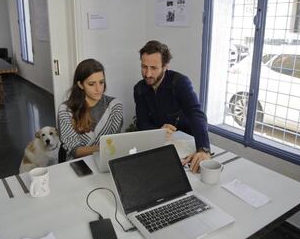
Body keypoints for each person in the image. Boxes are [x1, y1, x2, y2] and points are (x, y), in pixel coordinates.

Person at [134, 40, 211, 173]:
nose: (147, 74)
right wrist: (158, 132)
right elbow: (142, 123)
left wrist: (203, 149)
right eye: (144, 67)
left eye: (153, 68)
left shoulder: (180, 82)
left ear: (165, 66)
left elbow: (196, 114)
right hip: (160, 146)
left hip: (186, 144)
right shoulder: (139, 89)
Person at [58, 59, 123, 160]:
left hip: (106, 161)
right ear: (80, 85)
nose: (98, 89)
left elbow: (116, 141)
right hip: (80, 164)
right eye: (91, 84)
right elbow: (74, 150)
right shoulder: (65, 110)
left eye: (101, 82)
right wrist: (102, 148)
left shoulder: (114, 106)